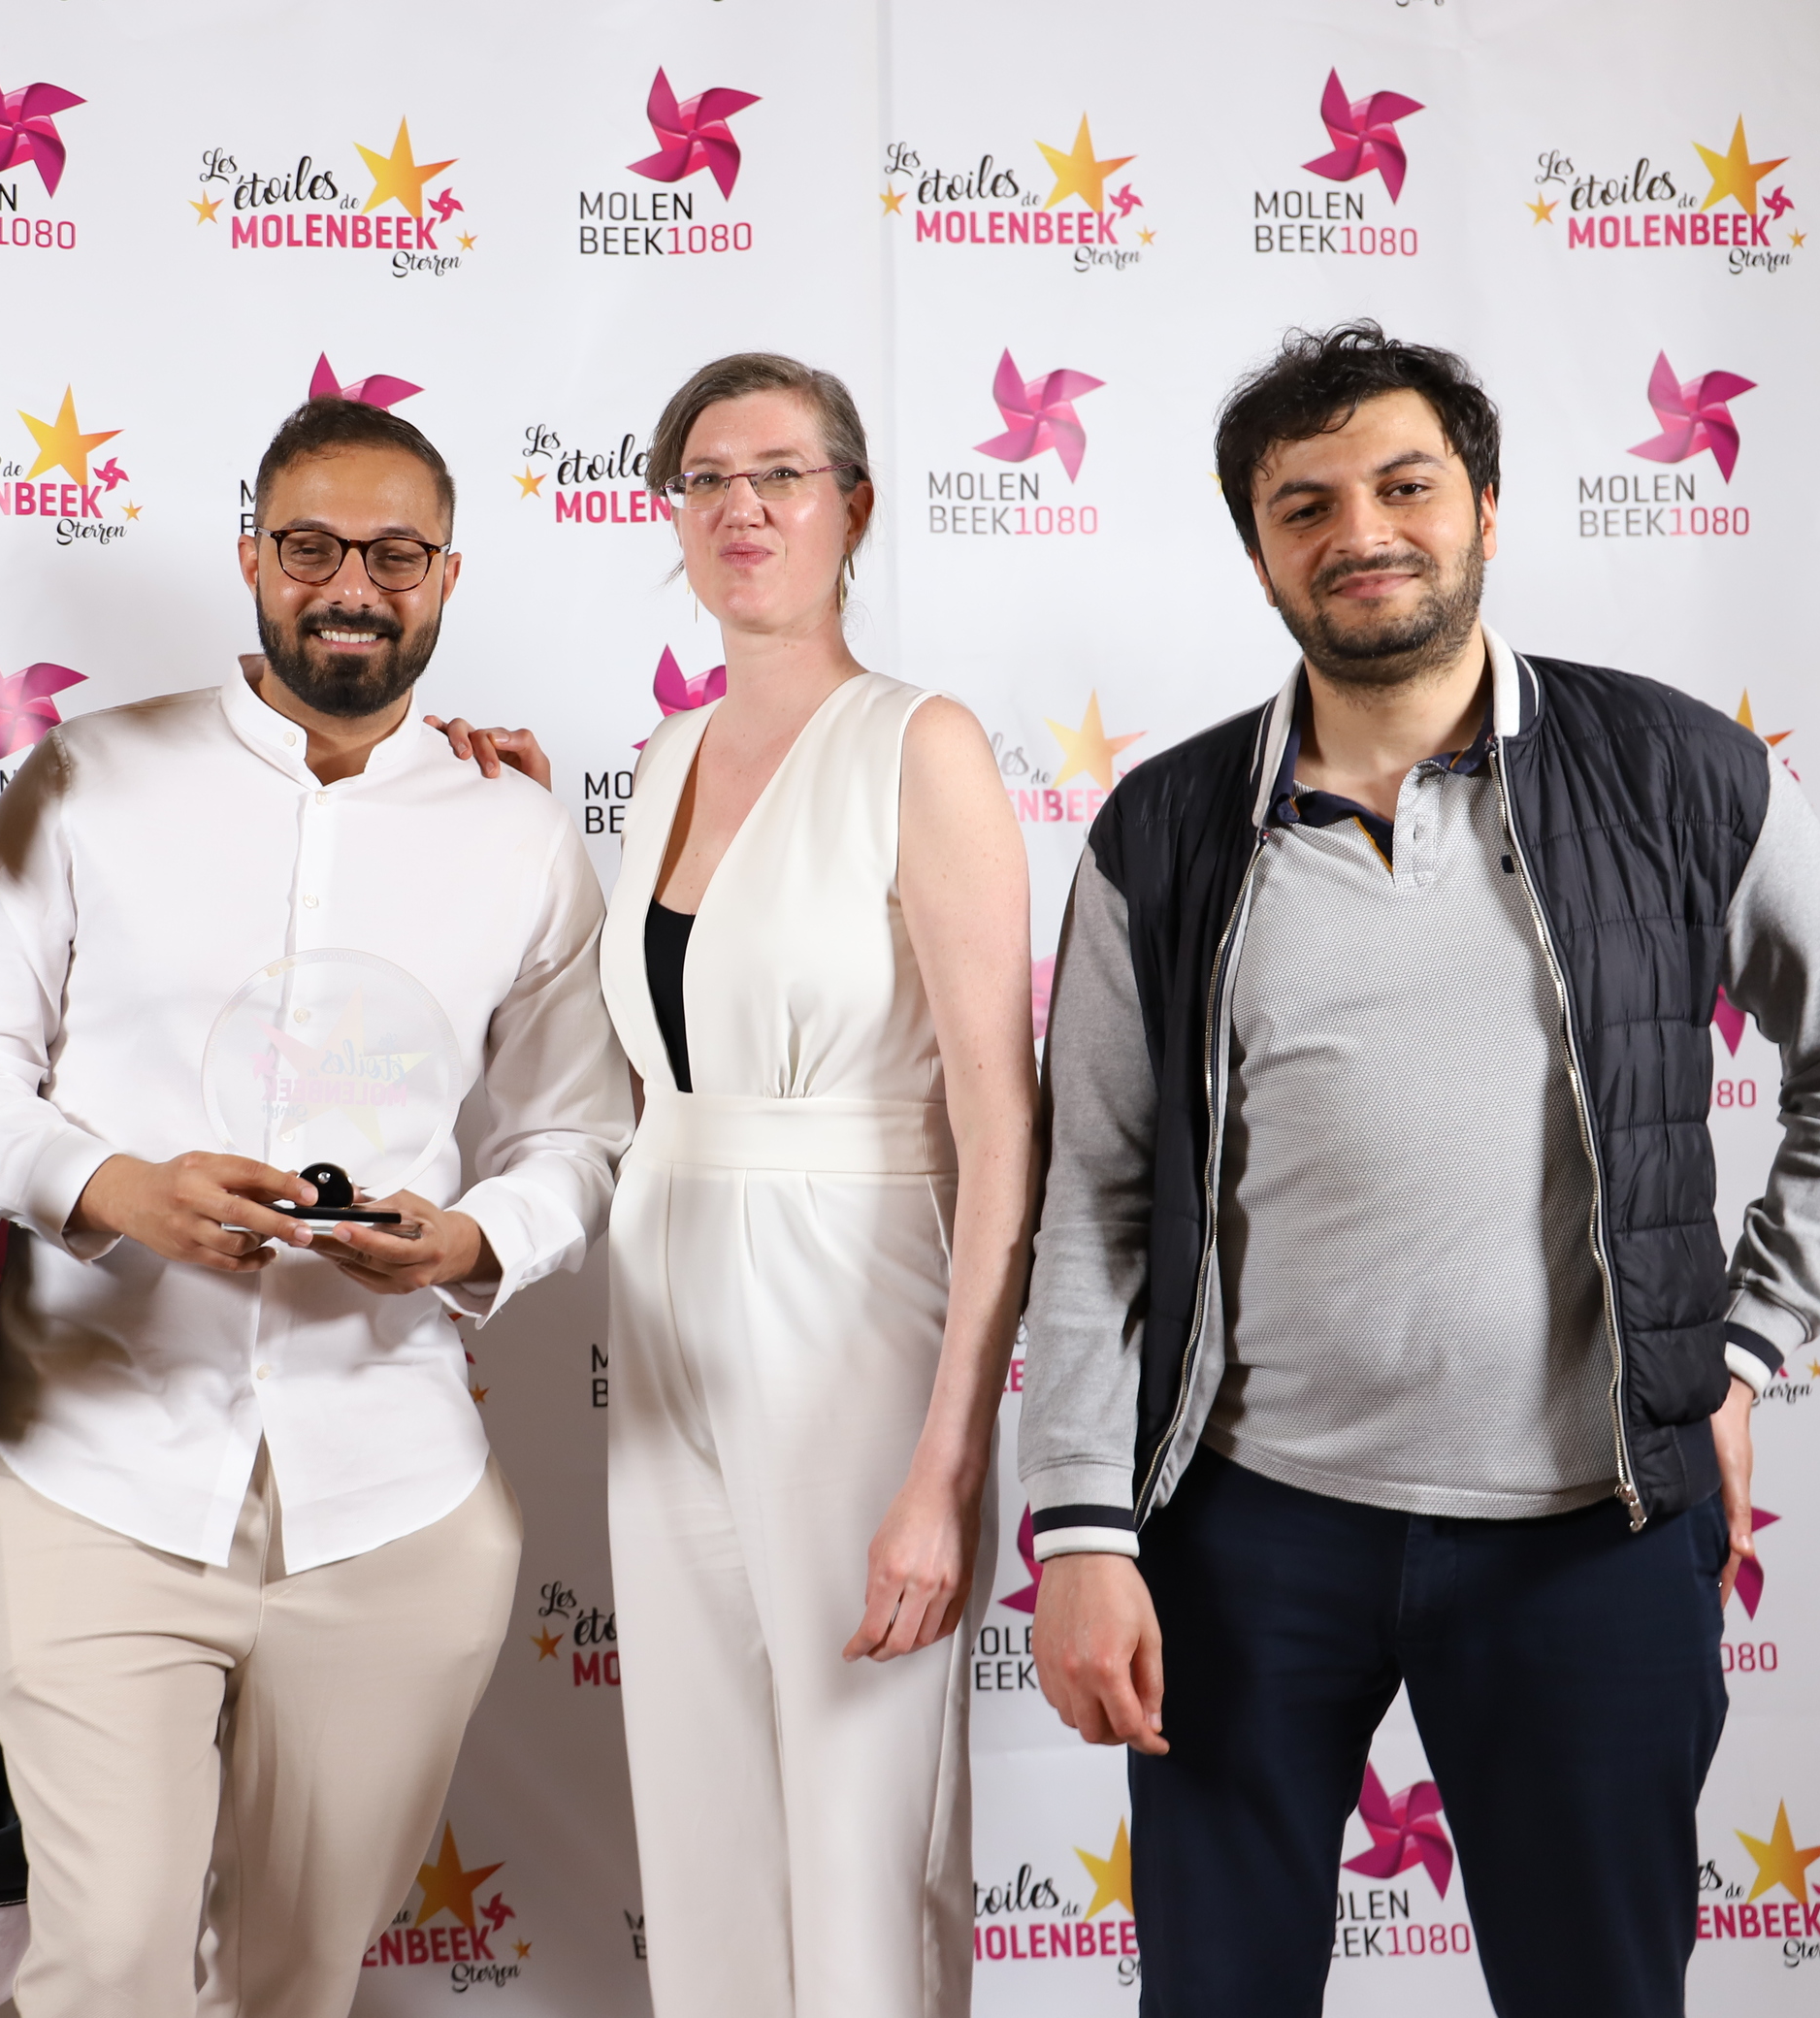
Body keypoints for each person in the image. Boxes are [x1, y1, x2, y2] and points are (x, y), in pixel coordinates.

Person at [1023, 322, 1820, 2017]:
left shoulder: (1683, 774)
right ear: (1259, 552)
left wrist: (1742, 1347)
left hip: (1593, 1535)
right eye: (1306, 504)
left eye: (1406, 485)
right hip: (1244, 1536)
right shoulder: (1165, 832)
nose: (1363, 532)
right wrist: (1083, 1530)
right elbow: (1096, 1199)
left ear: (1485, 505)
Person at [0, 394, 630, 2018]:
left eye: (396, 554)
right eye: (312, 546)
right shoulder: (85, 776)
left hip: (393, 1498)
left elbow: (578, 1134)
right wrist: (114, 1189)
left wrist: (473, 1240)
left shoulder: (520, 832)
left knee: (296, 1982)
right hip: (90, 1475)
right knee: (109, 1968)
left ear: (448, 577)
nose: (352, 586)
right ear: (251, 557)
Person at [587, 352, 1035, 2018]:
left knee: (862, 1822)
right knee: (698, 1805)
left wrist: (946, 1460)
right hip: (665, 1292)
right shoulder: (664, 753)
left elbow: (1001, 1123)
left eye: (781, 473)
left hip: (851, 1291)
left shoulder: (921, 745)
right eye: (707, 478)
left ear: (853, 505)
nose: (744, 508)